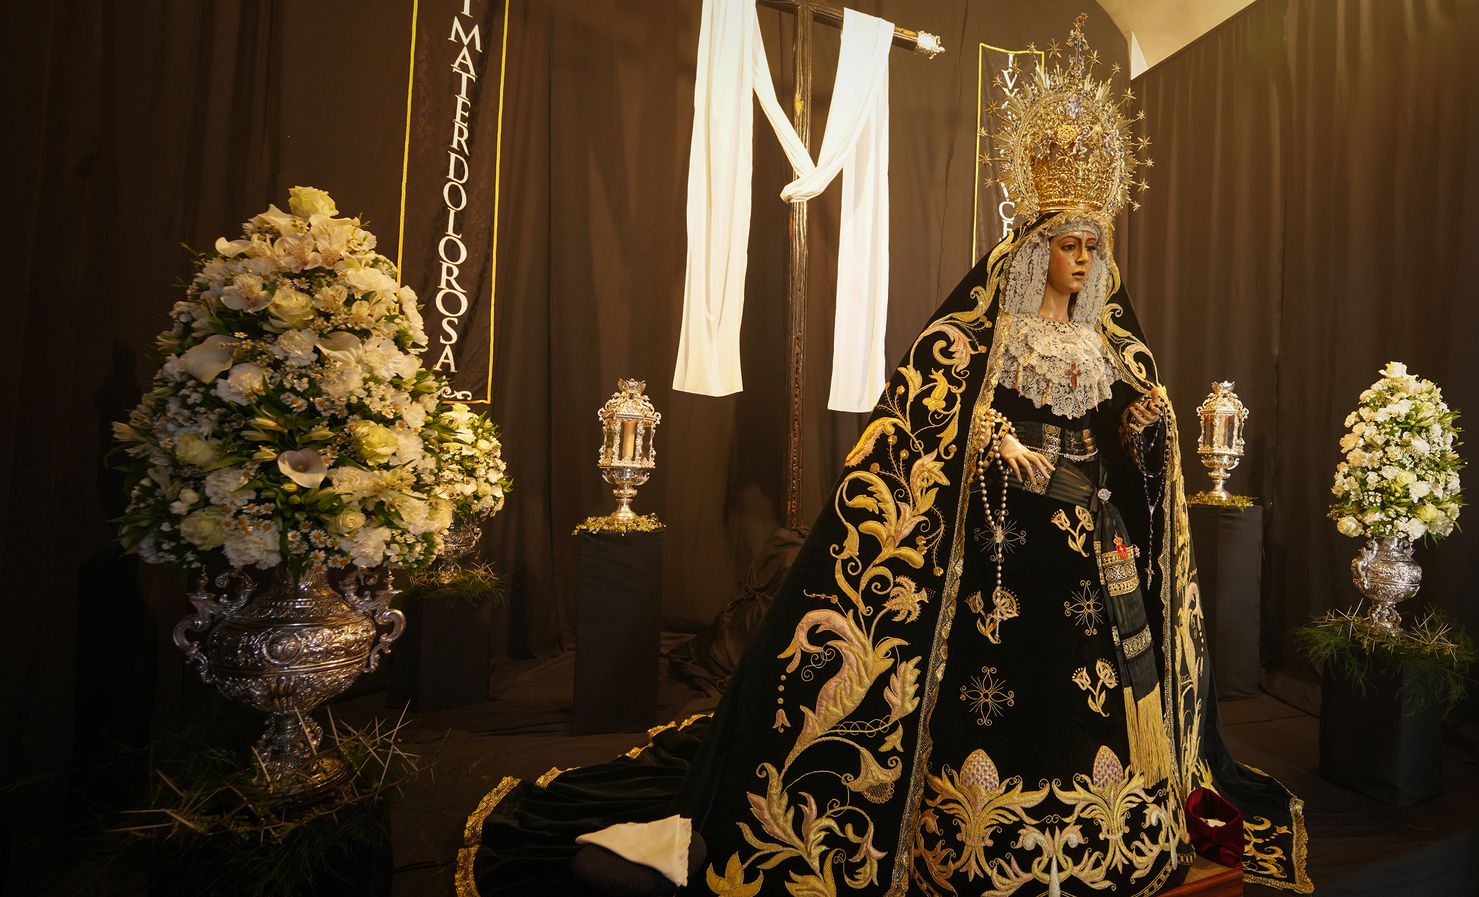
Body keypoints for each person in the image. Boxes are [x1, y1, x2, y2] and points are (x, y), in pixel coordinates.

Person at [465, 16, 1310, 897]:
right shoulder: (983, 336)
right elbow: (936, 418)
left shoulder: (1108, 344)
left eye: (1092, 246)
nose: (1083, 259)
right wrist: (992, 438)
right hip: (1008, 542)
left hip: (1096, 545)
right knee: (1005, 684)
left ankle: (1112, 820)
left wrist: (1146, 427)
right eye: (1069, 244)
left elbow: (1122, 439)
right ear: (1036, 249)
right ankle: (973, 828)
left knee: (1094, 681)